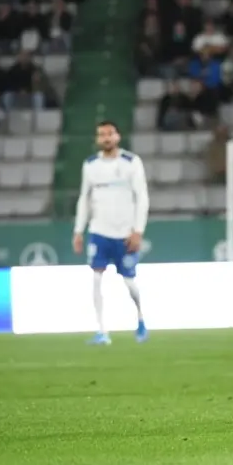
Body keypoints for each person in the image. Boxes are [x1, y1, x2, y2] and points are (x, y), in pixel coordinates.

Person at [72, 121, 150, 345]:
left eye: (110, 133)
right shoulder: (90, 165)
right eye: (101, 134)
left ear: (118, 136)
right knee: (96, 277)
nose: (106, 138)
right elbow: (84, 199)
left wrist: (138, 230)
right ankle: (102, 331)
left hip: (125, 232)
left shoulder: (131, 162)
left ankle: (141, 318)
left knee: (129, 281)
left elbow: (142, 197)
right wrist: (79, 230)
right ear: (97, 139)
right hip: (99, 231)